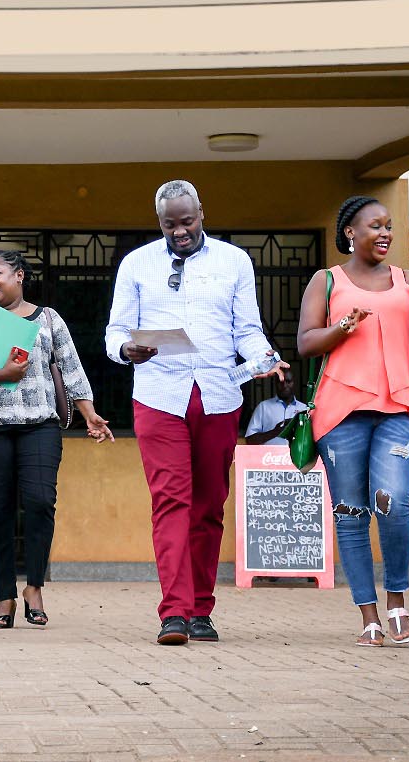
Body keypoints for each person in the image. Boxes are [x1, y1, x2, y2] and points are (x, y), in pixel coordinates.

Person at [105, 180, 288, 646]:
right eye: (170, 224)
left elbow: (246, 329)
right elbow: (116, 331)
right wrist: (127, 349)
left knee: (208, 505)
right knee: (170, 501)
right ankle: (174, 613)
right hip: (158, 395)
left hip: (219, 395)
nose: (180, 231)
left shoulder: (234, 261)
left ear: (201, 213)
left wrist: (266, 357)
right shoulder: (137, 263)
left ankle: (201, 609)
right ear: (159, 222)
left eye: (187, 222)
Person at [295, 195, 409, 647]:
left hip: (400, 406)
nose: (384, 234)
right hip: (341, 411)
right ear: (350, 233)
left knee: (393, 501)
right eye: (374, 226)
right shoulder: (325, 281)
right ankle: (369, 616)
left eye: (389, 226)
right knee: (350, 512)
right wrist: (342, 328)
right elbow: (305, 343)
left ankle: (397, 600)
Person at [0, 250, 114, 629]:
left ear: (19, 275)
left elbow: (72, 369)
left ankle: (34, 587)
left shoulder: (49, 319)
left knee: (40, 501)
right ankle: (4, 596)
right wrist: (3, 372)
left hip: (38, 424)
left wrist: (90, 415)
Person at [243, 373, 306, 446]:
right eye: (281, 382)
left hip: (297, 456)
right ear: (275, 384)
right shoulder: (264, 407)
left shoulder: (304, 409)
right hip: (270, 456)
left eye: (288, 381)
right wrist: (276, 432)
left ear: (294, 383)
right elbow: (250, 440)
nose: (284, 386)